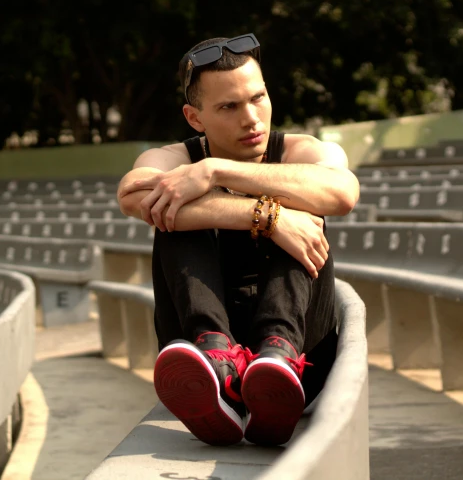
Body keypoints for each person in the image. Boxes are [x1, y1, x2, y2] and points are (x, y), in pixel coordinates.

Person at [117, 33, 359, 447]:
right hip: (197, 361)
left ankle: (277, 357)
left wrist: (218, 173)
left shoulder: (300, 151)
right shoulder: (176, 159)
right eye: (229, 107)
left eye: (258, 98)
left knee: (306, 204)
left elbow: (341, 193)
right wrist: (266, 217)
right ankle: (216, 359)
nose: (251, 118)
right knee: (169, 207)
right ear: (195, 118)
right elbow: (133, 193)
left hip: (303, 355)